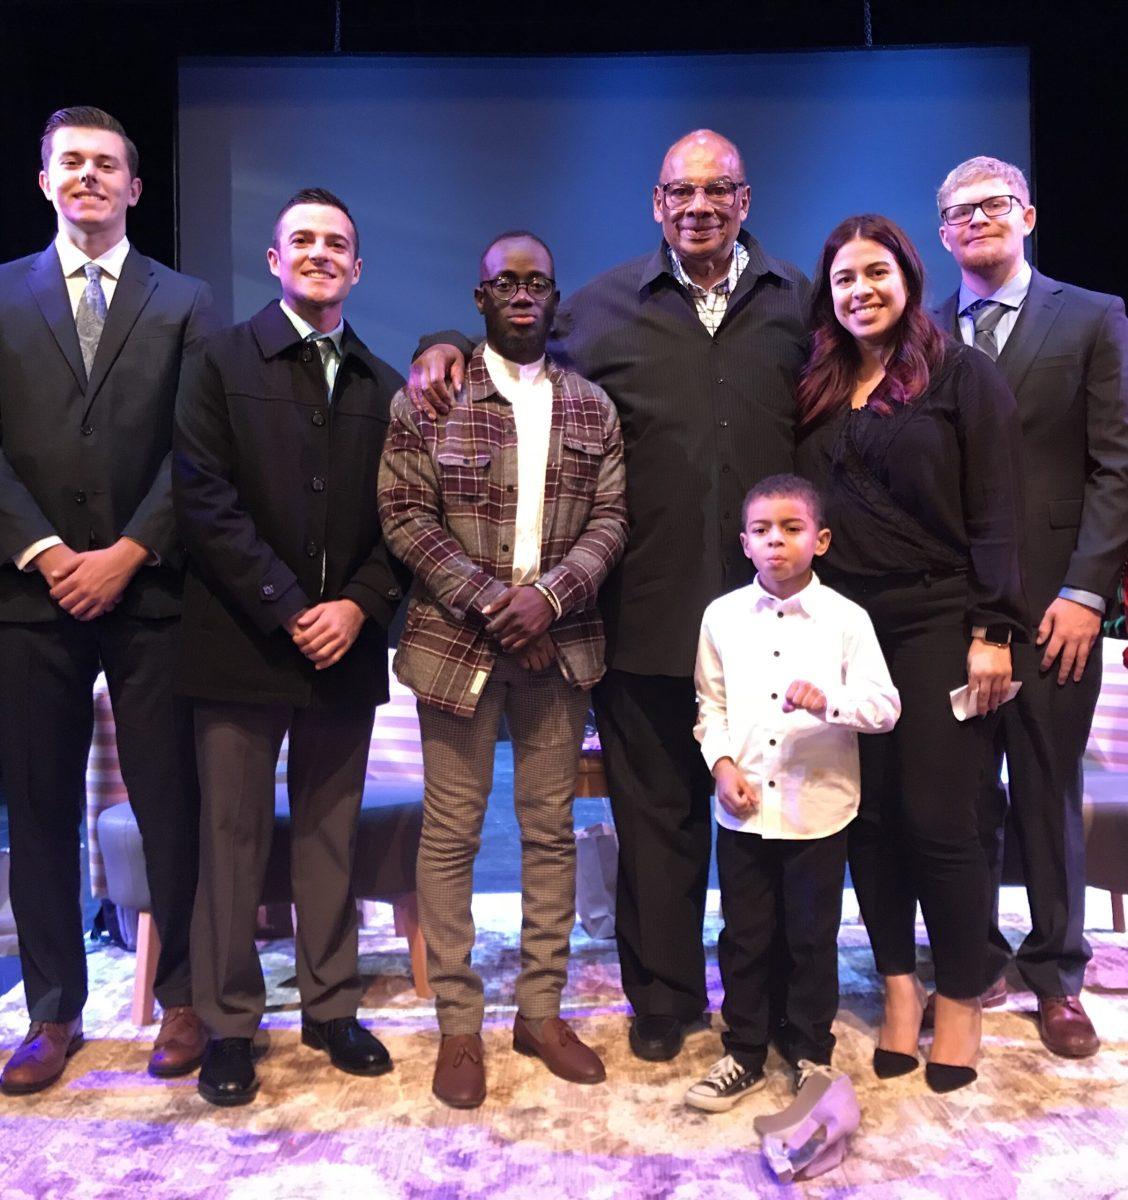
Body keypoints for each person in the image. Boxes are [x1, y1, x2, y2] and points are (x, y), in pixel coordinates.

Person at [407, 131, 809, 1062]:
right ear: (655, 204)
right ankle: (664, 1003)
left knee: (777, 820)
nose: (698, 205)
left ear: (745, 200)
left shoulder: (798, 304)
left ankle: (775, 1000)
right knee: (658, 824)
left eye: (718, 190)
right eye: (680, 191)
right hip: (648, 616)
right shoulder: (599, 307)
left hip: (773, 624)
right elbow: (512, 344)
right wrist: (439, 344)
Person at [378, 231, 627, 1108]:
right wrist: (494, 601)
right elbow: (404, 515)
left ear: (555, 300)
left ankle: (540, 1012)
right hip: (456, 646)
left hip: (559, 648)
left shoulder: (593, 407)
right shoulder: (432, 397)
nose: (523, 296)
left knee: (549, 831)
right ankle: (457, 1026)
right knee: (452, 836)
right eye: (505, 284)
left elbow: (611, 519)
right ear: (479, 299)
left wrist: (548, 600)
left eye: (538, 284)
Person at [172, 188, 406, 1106]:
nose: (319, 253)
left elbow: (404, 520)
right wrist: (285, 603)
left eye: (336, 243)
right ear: (274, 261)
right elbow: (202, 499)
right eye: (301, 240)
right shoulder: (217, 361)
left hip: (347, 645)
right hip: (238, 639)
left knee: (328, 835)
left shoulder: (386, 387)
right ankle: (231, 1023)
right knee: (228, 838)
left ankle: (330, 1003)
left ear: (357, 267)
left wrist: (357, 605)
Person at [0, 106, 214, 1095]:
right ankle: (53, 1012)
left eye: (107, 165)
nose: (88, 177)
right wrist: (47, 551)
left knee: (172, 799)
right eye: (70, 163)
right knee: (39, 806)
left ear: (135, 187)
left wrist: (129, 549)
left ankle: (182, 998)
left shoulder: (188, 301)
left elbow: (200, 447)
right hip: (29, 595)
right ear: (45, 181)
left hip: (153, 588)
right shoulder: (0, 295)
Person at [795, 214, 1030, 1093]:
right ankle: (900, 992)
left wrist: (994, 630)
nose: (860, 291)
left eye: (876, 273)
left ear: (909, 278)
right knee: (873, 820)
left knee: (943, 819)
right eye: (844, 278)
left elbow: (999, 509)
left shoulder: (965, 377)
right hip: (847, 626)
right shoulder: (815, 384)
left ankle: (962, 999)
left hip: (943, 624)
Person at [934, 156, 1128, 1058]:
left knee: (1046, 793)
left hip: (1059, 606)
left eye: (993, 205)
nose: (977, 219)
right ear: (941, 235)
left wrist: (1088, 590)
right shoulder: (924, 334)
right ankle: (972, 961)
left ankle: (1058, 974)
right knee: (962, 797)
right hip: (952, 614)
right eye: (958, 212)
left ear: (1028, 214)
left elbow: (1115, 466)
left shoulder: (1091, 316)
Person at [685, 474, 899, 1112]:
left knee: (811, 937)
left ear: (821, 539)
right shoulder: (720, 616)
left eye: (791, 528)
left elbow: (885, 707)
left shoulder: (846, 620)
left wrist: (830, 701)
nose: (775, 540)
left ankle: (810, 1051)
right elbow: (709, 705)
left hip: (818, 813)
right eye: (761, 530)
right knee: (744, 936)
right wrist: (722, 766)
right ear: (744, 543)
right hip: (745, 813)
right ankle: (744, 1051)